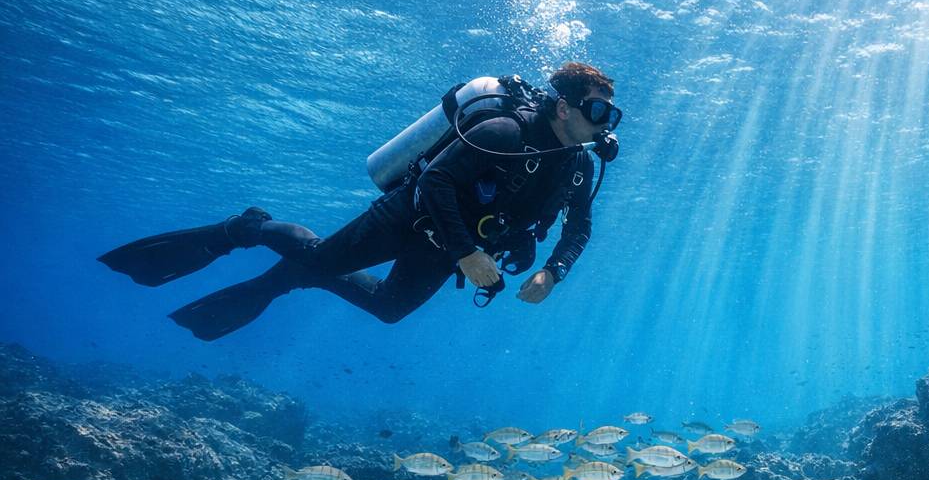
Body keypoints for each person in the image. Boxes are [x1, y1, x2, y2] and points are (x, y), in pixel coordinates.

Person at [99, 62, 621, 340]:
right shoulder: (506, 130)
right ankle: (247, 227)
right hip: (411, 218)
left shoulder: (577, 165)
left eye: (611, 116)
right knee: (320, 259)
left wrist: (553, 273)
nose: (604, 124)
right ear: (561, 106)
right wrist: (466, 252)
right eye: (598, 110)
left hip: (454, 247)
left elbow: (579, 229)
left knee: (390, 309)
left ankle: (289, 275)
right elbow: (435, 183)